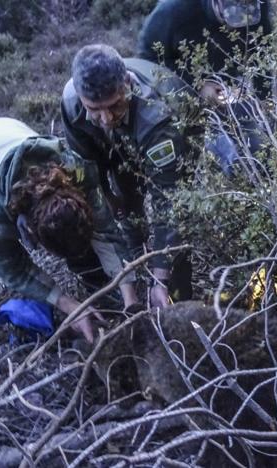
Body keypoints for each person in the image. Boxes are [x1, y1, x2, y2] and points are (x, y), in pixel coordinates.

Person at [0, 117, 139, 342]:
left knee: (83, 246)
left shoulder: (74, 169)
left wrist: (131, 300)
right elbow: (15, 270)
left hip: (5, 128)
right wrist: (69, 304)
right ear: (31, 232)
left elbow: (106, 232)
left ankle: (99, 292)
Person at [61, 44, 201, 308]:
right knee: (126, 204)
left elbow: (170, 201)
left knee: (178, 220)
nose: (105, 118)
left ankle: (180, 295)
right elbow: (89, 168)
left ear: (126, 83)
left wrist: (161, 277)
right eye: (94, 108)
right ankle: (136, 264)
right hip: (119, 143)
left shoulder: (157, 117)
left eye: (113, 105)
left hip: (176, 133)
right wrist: (108, 196)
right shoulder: (72, 103)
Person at [138, 0, 272, 174]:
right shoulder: (173, 11)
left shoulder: (257, 4)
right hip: (178, 92)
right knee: (200, 161)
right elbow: (147, 62)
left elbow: (264, 49)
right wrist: (198, 85)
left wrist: (264, 98)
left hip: (228, 88)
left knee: (258, 155)